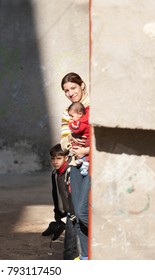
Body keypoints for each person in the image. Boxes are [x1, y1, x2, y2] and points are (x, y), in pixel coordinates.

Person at [60, 72, 90, 260]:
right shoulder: (67, 112)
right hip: (75, 164)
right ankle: (87, 258)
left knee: (83, 211)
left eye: (73, 88)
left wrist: (86, 150)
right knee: (77, 217)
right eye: (66, 91)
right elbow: (64, 143)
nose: (71, 93)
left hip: (92, 163)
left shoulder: (93, 107)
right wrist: (72, 141)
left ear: (82, 86)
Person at [42, 144, 78, 260]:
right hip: (69, 212)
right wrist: (58, 213)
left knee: (70, 247)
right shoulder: (56, 173)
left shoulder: (72, 171)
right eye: (53, 158)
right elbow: (57, 194)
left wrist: (73, 214)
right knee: (70, 246)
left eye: (58, 158)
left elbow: (74, 194)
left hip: (77, 213)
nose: (55, 162)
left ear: (66, 158)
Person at [67, 101, 90, 176]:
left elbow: (76, 129)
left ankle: (85, 162)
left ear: (80, 114)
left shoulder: (82, 122)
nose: (71, 119)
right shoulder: (81, 116)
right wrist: (71, 136)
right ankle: (82, 160)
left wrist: (70, 124)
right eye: (66, 90)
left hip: (87, 140)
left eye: (72, 116)